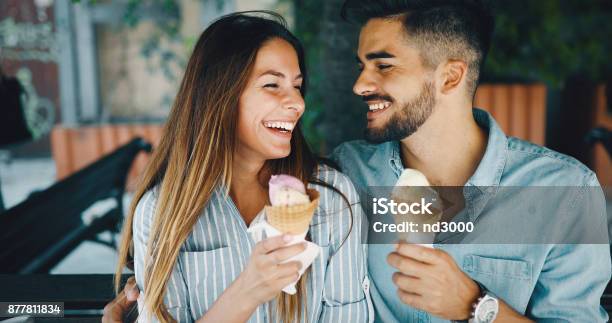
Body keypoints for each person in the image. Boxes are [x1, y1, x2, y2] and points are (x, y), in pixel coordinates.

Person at [332, 0, 610, 322]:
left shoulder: (566, 192)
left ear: (450, 77)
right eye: (361, 67)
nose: (359, 85)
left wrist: (476, 306)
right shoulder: (347, 173)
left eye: (383, 66)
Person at [112, 12, 369, 323]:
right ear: (221, 95)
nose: (298, 103)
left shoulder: (332, 197)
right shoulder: (161, 211)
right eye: (273, 85)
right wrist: (247, 292)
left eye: (298, 87)